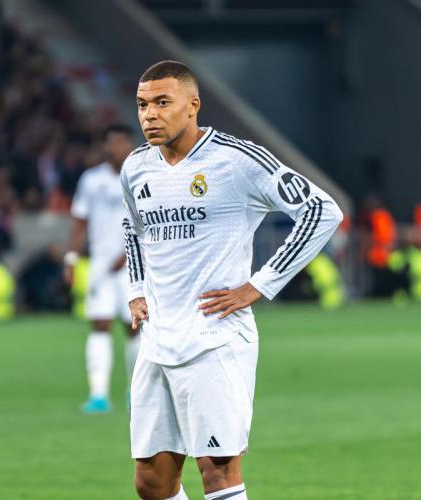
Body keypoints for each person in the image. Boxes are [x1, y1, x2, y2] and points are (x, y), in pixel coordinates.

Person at [121, 61, 343, 500]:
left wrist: (261, 284)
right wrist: (136, 289)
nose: (150, 115)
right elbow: (133, 227)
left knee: (218, 472)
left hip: (216, 338)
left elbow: (322, 211)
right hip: (159, 338)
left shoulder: (237, 160)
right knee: (152, 482)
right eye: (143, 105)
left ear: (193, 105)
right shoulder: (136, 166)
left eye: (163, 102)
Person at [65, 124, 141, 414]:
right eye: (113, 143)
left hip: (134, 265)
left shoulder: (141, 175)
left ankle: (136, 391)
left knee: (134, 327)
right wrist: (71, 259)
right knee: (99, 324)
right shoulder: (91, 179)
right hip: (100, 265)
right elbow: (79, 221)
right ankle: (98, 395)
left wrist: (129, 251)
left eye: (122, 142)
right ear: (105, 147)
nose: (118, 148)